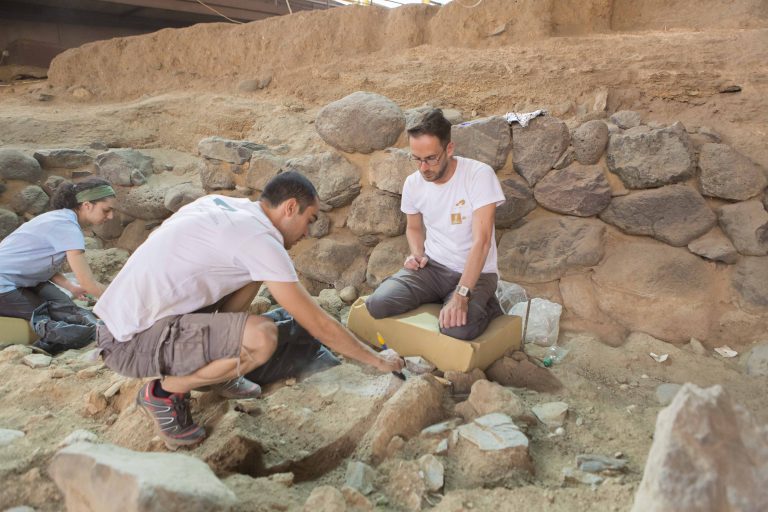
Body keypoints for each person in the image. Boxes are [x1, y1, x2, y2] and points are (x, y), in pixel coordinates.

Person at [94, 171, 404, 450]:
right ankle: (163, 393)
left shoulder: (229, 207)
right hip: (130, 343)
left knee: (252, 274)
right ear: (290, 207)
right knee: (262, 337)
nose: (308, 233)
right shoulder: (259, 240)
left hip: (131, 323)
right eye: (309, 220)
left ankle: (219, 373)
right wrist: (377, 360)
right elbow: (317, 324)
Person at [365, 108, 506, 341]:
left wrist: (462, 294)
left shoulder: (479, 175)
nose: (423, 168)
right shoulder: (413, 183)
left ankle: (488, 306)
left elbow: (482, 243)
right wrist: (417, 254)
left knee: (456, 330)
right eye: (417, 159)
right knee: (377, 304)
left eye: (431, 158)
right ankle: (443, 297)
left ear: (449, 149)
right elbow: (413, 227)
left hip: (478, 274)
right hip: (433, 268)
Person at [0, 177, 117, 353]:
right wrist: (120, 301)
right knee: (45, 318)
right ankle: (41, 349)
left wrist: (70, 287)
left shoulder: (61, 219)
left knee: (67, 308)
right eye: (106, 210)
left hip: (24, 279)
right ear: (87, 205)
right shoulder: (67, 227)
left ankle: (92, 331)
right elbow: (88, 283)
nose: (111, 216)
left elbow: (39, 262)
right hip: (4, 283)